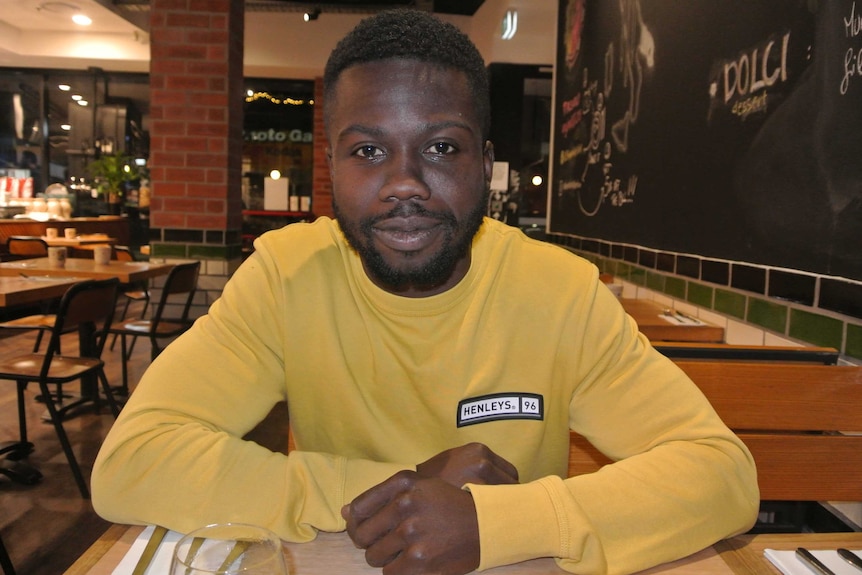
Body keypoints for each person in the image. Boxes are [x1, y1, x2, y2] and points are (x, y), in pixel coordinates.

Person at [92, 9, 758, 575]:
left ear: (484, 162)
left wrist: (490, 520)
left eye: (440, 147)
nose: (404, 183)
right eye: (368, 152)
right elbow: (133, 461)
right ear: (329, 164)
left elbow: (721, 474)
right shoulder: (284, 277)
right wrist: (404, 488)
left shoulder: (560, 292)